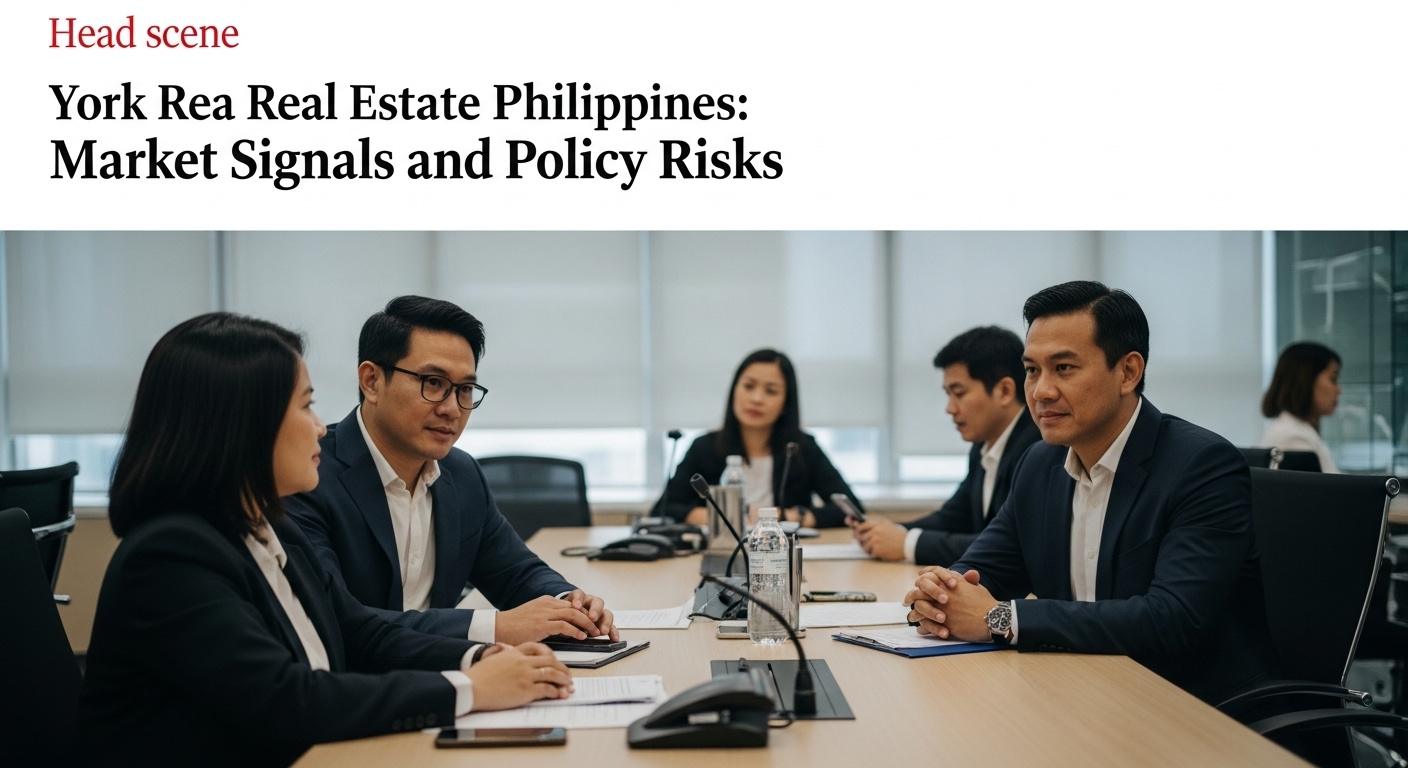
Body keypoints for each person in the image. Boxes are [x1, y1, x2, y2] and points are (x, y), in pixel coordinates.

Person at [78, 313, 572, 766]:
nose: (320, 428)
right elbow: (289, 700)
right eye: (305, 405)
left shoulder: (267, 528)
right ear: (240, 424)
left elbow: (360, 632)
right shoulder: (172, 557)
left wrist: (480, 657)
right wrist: (468, 688)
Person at [904, 281, 1272, 703]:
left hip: (1195, 708)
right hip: (1084, 694)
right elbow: (981, 570)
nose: (1041, 391)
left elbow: (1172, 619)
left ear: (1128, 372)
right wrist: (939, 594)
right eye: (1031, 370)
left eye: (1063, 368)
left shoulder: (1202, 465)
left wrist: (1000, 617)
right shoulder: (1040, 464)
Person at [286, 296, 616, 646]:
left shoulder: (462, 474)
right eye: (433, 383)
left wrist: (568, 603)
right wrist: (494, 628)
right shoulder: (307, 474)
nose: (451, 409)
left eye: (465, 389)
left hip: (450, 675)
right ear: (371, 381)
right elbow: (336, 619)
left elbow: (516, 572)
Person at [852, 326, 1039, 564]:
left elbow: (1008, 546)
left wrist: (907, 544)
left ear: (1004, 391)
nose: (949, 408)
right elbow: (953, 516)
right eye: (948, 394)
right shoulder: (983, 446)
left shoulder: (1036, 450)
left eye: (959, 393)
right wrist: (889, 531)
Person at [653, 348, 864, 528]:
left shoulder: (801, 448)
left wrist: (787, 517)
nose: (756, 399)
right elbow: (663, 510)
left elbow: (851, 509)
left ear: (785, 403)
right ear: (734, 390)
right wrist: (729, 517)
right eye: (749, 386)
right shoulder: (705, 447)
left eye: (771, 391)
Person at [1260, 341, 1341, 473]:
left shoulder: (1295, 430)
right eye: (1333, 379)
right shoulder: (1294, 438)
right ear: (1306, 380)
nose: (1338, 390)